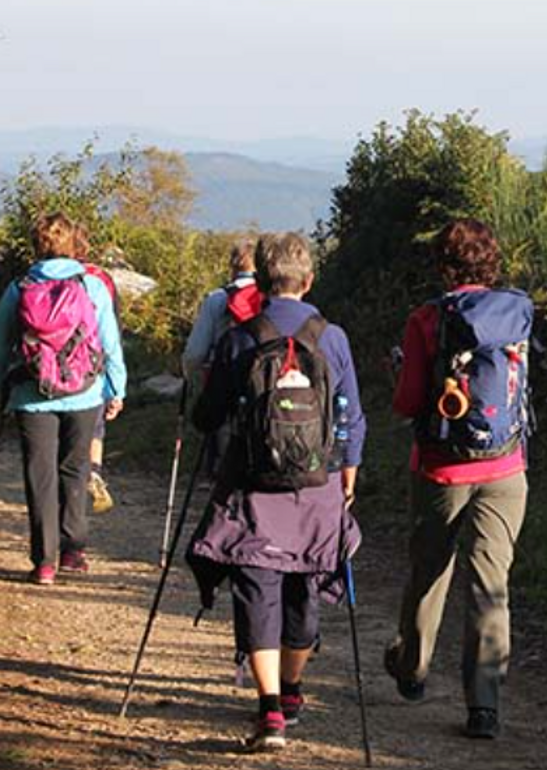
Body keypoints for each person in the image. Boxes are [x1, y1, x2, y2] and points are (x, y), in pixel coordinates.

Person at [187, 231, 365, 752]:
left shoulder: (240, 336)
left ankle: (268, 710)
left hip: (253, 485)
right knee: (305, 582)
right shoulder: (333, 338)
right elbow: (351, 414)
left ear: (261, 283)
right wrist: (348, 470)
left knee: (256, 585)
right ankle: (290, 690)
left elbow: (209, 415)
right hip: (319, 483)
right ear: (309, 281)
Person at [383, 218, 533, 740]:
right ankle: (484, 707)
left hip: (441, 466)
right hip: (507, 466)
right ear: (491, 260)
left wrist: (400, 371)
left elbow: (407, 403)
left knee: (430, 569)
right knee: (491, 584)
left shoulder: (427, 319)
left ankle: (413, 671)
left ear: (443, 265)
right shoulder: (516, 312)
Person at [0, 212, 127, 585]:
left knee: (40, 475)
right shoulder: (92, 286)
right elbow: (110, 345)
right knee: (76, 468)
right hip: (85, 393)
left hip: (32, 396)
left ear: (37, 245)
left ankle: (44, 562)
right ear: (73, 243)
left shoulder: (19, 288)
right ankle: (73, 550)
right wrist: (117, 389)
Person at [74, 224, 120, 514]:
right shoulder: (100, 280)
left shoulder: (35, 279)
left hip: (48, 374)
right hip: (93, 372)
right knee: (96, 428)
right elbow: (111, 336)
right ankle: (94, 472)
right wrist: (117, 388)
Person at [181, 237, 260, 384]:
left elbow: (195, 353)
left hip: (223, 381)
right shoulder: (271, 298)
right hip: (262, 381)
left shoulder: (217, 298)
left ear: (232, 265)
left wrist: (189, 375)